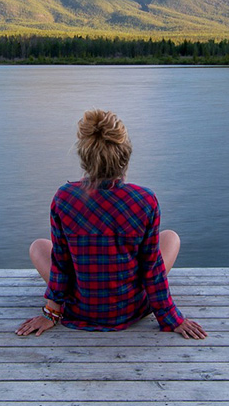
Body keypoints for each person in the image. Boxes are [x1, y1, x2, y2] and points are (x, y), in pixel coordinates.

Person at [17, 109, 206, 340]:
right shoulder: (145, 200)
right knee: (171, 238)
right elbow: (152, 268)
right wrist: (171, 318)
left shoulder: (64, 198)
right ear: (125, 156)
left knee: (38, 246)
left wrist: (51, 313)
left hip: (79, 308)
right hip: (129, 309)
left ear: (85, 158)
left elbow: (61, 264)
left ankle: (66, 304)